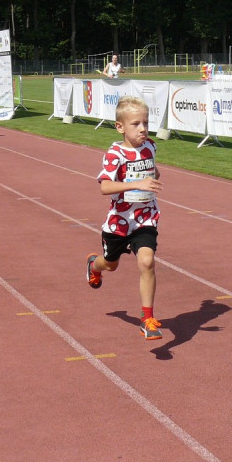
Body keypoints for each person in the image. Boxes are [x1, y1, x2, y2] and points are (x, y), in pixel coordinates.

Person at [85, 96, 164, 341]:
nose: (142, 129)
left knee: (147, 262)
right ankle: (93, 265)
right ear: (120, 127)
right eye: (136, 124)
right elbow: (104, 187)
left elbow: (153, 169)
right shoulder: (115, 154)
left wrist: (151, 178)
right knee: (110, 264)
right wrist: (137, 182)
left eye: (146, 123)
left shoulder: (150, 146)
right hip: (119, 220)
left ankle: (147, 318)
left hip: (145, 217)